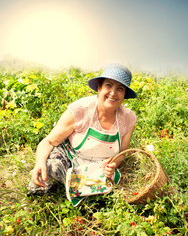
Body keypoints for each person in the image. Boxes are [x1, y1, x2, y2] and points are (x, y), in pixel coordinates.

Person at [27, 63, 137, 206]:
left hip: (98, 168)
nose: (113, 93)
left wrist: (113, 165)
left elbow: (123, 152)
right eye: (108, 85)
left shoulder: (128, 118)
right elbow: (49, 142)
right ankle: (41, 197)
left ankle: (79, 192)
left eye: (120, 89)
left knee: (100, 201)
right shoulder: (80, 110)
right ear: (99, 88)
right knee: (49, 168)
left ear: (125, 95)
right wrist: (39, 163)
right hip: (71, 158)